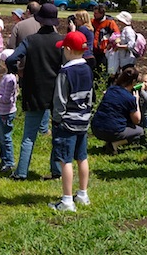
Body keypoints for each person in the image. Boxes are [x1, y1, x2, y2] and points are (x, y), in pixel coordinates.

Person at [6, 3, 64, 181]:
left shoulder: (30, 40)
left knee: (29, 135)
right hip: (56, 92)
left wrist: (17, 72)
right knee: (57, 134)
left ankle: (21, 172)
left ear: (39, 20)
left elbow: (11, 58)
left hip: (34, 90)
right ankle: (57, 171)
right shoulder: (61, 41)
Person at [48, 30, 94, 212]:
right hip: (83, 119)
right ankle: (83, 194)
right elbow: (90, 95)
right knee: (82, 157)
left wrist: (56, 119)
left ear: (67, 49)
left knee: (65, 160)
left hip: (67, 122)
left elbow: (59, 100)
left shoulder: (65, 72)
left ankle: (67, 200)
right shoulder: (88, 69)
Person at [91, 65, 147, 154]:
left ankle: (109, 141)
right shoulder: (129, 98)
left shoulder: (111, 89)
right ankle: (114, 144)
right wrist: (136, 101)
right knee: (140, 131)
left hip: (96, 128)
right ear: (133, 81)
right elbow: (137, 120)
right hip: (112, 130)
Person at [92, 4, 119, 77]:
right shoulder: (93, 22)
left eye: (96, 13)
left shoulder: (110, 22)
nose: (94, 15)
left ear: (102, 13)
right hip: (94, 51)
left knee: (104, 72)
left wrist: (111, 45)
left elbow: (117, 35)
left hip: (105, 52)